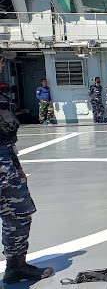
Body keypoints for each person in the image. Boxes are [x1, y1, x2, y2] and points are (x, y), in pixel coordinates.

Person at [0, 48, 55, 284]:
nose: (2, 65)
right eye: (0, 60)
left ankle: (16, 266)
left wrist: (17, 165)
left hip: (5, 164)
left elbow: (6, 137)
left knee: (20, 213)